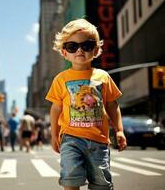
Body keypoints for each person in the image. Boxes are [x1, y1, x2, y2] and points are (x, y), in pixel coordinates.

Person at [45, 18, 127, 190]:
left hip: (99, 140)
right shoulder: (61, 79)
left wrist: (119, 130)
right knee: (71, 178)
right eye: (72, 46)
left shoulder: (103, 76)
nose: (79, 50)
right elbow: (56, 108)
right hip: (71, 139)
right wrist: (54, 135)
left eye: (87, 45)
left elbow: (112, 105)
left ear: (96, 50)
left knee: (101, 183)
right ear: (64, 52)